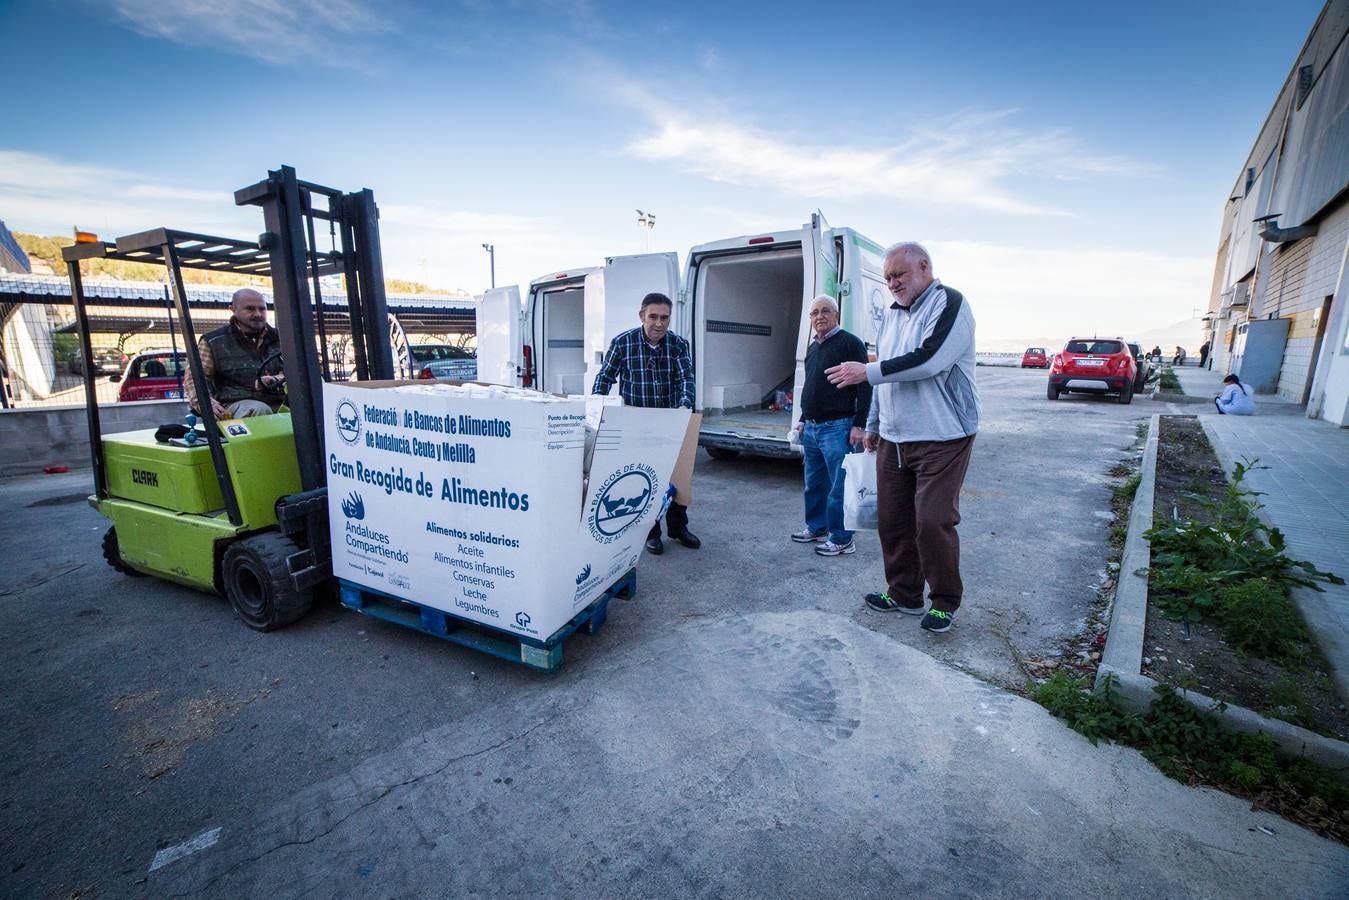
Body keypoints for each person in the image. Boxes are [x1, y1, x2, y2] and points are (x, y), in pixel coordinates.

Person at [826, 243, 978, 635]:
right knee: (892, 521)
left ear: (924, 267)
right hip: (894, 437)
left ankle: (944, 601)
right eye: (888, 277)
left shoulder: (950, 304)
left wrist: (867, 372)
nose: (892, 283)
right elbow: (885, 375)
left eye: (899, 275)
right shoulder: (891, 315)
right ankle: (904, 593)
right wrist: (874, 423)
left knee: (932, 521)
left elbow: (928, 360)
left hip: (943, 435)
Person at [592, 292, 699, 555]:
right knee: (645, 478)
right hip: (635, 423)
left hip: (670, 420)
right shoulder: (623, 343)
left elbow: (687, 377)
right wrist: (597, 406)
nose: (659, 323)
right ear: (642, 316)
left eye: (665, 318)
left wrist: (686, 403)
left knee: (678, 476)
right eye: (653, 317)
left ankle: (677, 527)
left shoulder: (678, 345)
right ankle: (651, 532)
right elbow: (604, 378)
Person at [792, 295, 872, 557]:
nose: (820, 316)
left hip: (839, 426)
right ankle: (817, 527)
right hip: (813, 428)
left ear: (836, 314)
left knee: (840, 486)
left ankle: (842, 538)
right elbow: (811, 385)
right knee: (814, 483)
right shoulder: (814, 347)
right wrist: (803, 419)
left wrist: (859, 424)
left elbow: (865, 385)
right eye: (814, 313)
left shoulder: (851, 343)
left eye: (826, 311)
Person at [185, 288, 285, 419]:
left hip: (283, 401)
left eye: (262, 309)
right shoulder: (213, 341)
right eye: (250, 309)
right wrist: (205, 403)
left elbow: (300, 370)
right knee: (257, 410)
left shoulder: (283, 338)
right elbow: (195, 377)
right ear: (233, 309)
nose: (258, 314)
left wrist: (275, 379)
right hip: (236, 404)